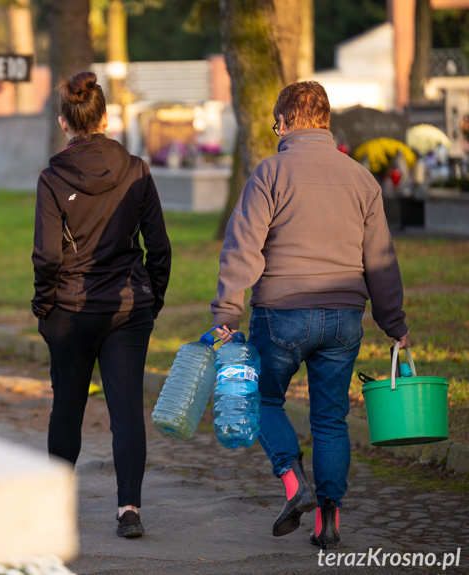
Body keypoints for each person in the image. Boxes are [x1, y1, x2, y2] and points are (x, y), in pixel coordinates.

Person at [211, 81, 411, 550]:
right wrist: (395, 324)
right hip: (343, 318)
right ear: (325, 121)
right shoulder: (361, 178)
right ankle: (329, 520)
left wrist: (227, 311)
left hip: (281, 314)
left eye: (276, 121)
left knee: (260, 398)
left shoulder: (270, 173)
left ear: (286, 121)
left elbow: (243, 246)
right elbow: (380, 259)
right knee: (330, 420)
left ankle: (292, 481)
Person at [32, 70, 171, 538]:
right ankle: (128, 509)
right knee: (127, 410)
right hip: (129, 308)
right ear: (107, 118)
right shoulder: (136, 169)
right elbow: (159, 245)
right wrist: (153, 297)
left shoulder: (52, 178)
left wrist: (43, 306)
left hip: (69, 310)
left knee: (66, 408)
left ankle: (52, 507)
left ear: (63, 122)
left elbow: (47, 256)